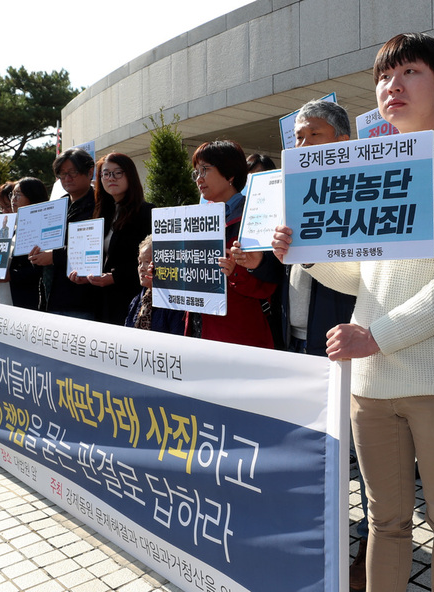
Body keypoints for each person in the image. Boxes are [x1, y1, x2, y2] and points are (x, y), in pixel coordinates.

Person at [273, 32, 434, 590]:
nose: (392, 86)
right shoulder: (374, 170)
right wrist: (302, 254)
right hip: (371, 384)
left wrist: (373, 336)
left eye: (410, 74)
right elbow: (362, 274)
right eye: (383, 76)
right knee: (386, 521)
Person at [231, 99, 365, 588]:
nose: (304, 145)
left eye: (315, 136)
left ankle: (370, 548)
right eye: (300, 138)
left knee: (361, 452)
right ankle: (319, 535)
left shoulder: (359, 190)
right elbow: (279, 263)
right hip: (297, 339)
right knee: (317, 446)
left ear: (343, 143)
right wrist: (254, 263)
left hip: (346, 335)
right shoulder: (288, 194)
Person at [191, 140, 277, 348]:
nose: (199, 179)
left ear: (229, 174)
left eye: (205, 170)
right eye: (196, 172)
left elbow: (269, 283)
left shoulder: (257, 215)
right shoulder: (195, 220)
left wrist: (237, 271)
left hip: (240, 337)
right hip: (200, 332)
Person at [69, 153, 152, 325]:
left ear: (130, 175)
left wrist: (115, 277)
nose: (111, 178)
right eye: (105, 174)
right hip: (101, 302)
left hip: (130, 300)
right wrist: (86, 274)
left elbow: (152, 260)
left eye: (117, 172)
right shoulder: (100, 214)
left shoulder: (147, 212)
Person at [29, 148, 97, 319]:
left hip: (82, 299)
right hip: (51, 296)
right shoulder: (58, 206)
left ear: (90, 172)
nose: (67, 178)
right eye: (62, 173)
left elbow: (95, 246)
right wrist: (36, 255)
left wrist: (55, 256)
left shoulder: (100, 204)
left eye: (73, 172)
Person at [0, 177, 49, 311]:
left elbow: (40, 269)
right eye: (12, 194)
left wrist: (12, 276)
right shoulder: (12, 228)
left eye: (18, 194)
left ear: (33, 197)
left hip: (28, 304)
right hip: (4, 300)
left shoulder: (43, 227)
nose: (13, 199)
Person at [125, 235, 185, 335]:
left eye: (148, 262)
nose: (142, 268)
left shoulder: (175, 304)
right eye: (140, 262)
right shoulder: (136, 301)